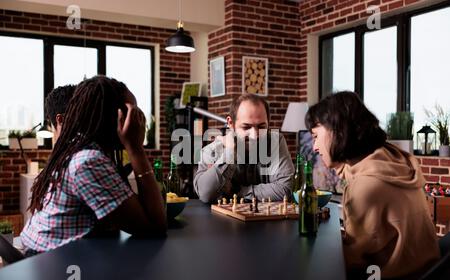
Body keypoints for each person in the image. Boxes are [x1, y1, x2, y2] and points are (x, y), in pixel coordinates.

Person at [305, 91, 440, 280]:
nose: (314, 146)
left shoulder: (366, 187)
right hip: (426, 277)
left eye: (316, 136)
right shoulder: (390, 158)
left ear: (337, 131)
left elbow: (353, 260)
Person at [21, 76, 167, 255]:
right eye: (131, 112)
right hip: (52, 264)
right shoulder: (87, 161)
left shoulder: (78, 149)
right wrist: (135, 148)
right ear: (112, 116)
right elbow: (154, 228)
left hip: (49, 255)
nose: (137, 119)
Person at [194, 93, 294, 203]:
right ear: (230, 123)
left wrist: (237, 192)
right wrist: (230, 152)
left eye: (261, 126)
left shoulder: (276, 141)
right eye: (246, 127)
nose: (254, 135)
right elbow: (205, 194)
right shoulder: (212, 150)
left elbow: (286, 189)